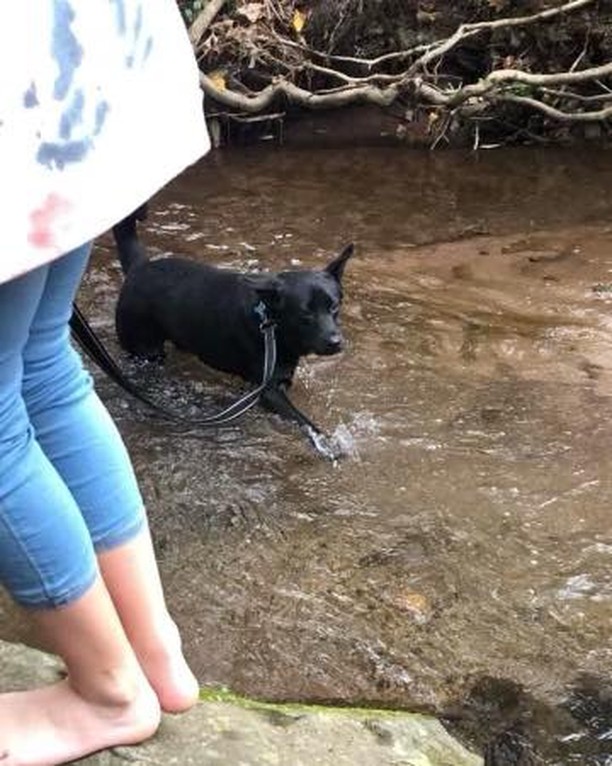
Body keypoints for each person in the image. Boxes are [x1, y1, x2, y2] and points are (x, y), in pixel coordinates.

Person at [0, 2, 211, 763]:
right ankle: (154, 655)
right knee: (40, 366)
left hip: (18, 85)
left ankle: (107, 694)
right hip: (74, 58)